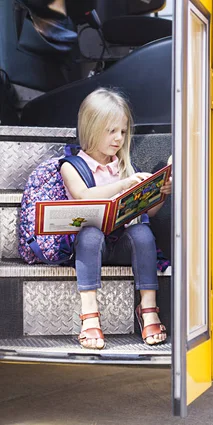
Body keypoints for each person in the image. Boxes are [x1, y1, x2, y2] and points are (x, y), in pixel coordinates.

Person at [61, 87, 171, 349]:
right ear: (91, 128)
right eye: (111, 131)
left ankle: (148, 309)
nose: (118, 138)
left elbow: (148, 214)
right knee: (89, 235)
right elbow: (84, 196)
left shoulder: (122, 165)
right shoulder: (72, 166)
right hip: (89, 250)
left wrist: (160, 195)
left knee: (143, 232)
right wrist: (123, 186)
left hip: (120, 244)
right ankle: (90, 316)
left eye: (122, 131)